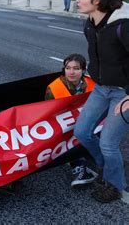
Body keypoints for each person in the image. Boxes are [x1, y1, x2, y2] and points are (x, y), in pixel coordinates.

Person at [73, 0, 129, 203]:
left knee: (108, 142)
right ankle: (108, 166)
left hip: (123, 92)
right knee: (82, 132)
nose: (78, 0)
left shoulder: (122, 26)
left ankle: (114, 185)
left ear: (97, 0)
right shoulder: (90, 23)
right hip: (102, 88)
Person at [45, 53, 98, 188]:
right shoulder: (54, 88)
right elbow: (47, 114)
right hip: (64, 126)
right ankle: (79, 167)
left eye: (76, 68)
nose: (71, 72)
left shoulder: (93, 85)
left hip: (90, 123)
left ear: (83, 70)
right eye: (68, 68)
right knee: (72, 139)